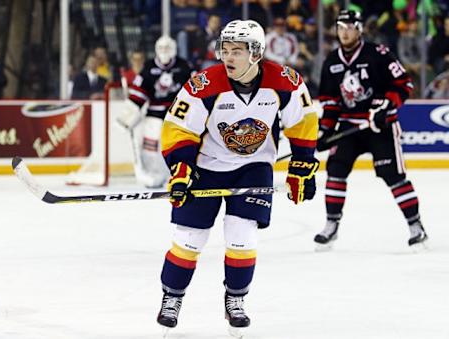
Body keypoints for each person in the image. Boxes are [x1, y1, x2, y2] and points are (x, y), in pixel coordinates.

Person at [156, 20, 319, 335]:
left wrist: (302, 166)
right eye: (225, 50)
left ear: (256, 53)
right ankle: (171, 298)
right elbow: (178, 129)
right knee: (189, 238)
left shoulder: (286, 82)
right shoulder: (204, 85)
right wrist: (181, 169)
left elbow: (303, 123)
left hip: (254, 166)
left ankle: (236, 301)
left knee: (242, 234)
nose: (227, 57)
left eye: (237, 51)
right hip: (207, 166)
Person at [315, 9, 428, 249]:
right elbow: (330, 101)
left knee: (393, 175)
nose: (344, 32)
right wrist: (325, 130)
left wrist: (385, 106)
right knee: (335, 171)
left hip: (380, 126)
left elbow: (404, 84)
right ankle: (331, 224)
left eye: (349, 27)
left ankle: (415, 225)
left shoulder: (379, 54)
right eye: (340, 27)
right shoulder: (332, 61)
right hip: (349, 126)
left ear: (359, 29)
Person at [124, 36, 193, 188]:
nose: (164, 52)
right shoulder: (148, 67)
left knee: (180, 145)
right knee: (150, 145)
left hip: (178, 115)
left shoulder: (184, 66)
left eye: (167, 48)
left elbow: (194, 91)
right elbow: (138, 92)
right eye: (161, 48)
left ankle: (179, 175)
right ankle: (152, 174)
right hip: (154, 114)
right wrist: (128, 116)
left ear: (174, 50)